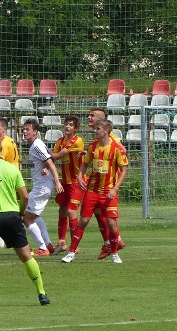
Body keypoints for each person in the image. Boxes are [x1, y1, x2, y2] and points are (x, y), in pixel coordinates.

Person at [0, 134, 50, 308]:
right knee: (27, 256)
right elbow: (25, 196)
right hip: (12, 216)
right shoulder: (12, 169)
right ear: (1, 150)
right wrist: (20, 212)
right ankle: (42, 293)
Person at [62, 119, 128, 264]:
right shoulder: (92, 147)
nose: (95, 131)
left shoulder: (116, 148)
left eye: (98, 129)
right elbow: (85, 164)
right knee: (83, 220)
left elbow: (123, 171)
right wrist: (80, 176)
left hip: (109, 192)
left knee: (111, 223)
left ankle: (114, 253)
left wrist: (115, 188)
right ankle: (71, 252)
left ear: (106, 131)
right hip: (92, 190)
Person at [85, 107, 126, 259]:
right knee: (97, 213)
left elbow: (122, 150)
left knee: (107, 216)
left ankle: (115, 241)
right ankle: (109, 242)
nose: (89, 118)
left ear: (100, 119)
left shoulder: (111, 138)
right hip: (97, 185)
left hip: (108, 185)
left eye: (92, 116)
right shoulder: (97, 140)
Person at [22, 119, 64, 256]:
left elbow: (51, 162)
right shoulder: (36, 145)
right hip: (42, 186)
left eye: (28, 129)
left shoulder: (36, 145)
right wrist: (45, 168)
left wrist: (57, 181)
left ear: (35, 132)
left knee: (26, 218)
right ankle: (48, 245)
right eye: (24, 129)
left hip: (42, 188)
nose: (24, 131)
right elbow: (49, 159)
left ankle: (42, 248)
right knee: (34, 216)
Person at [50, 116, 85, 255]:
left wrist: (51, 154)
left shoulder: (77, 141)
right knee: (62, 210)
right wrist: (48, 165)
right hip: (65, 182)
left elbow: (57, 156)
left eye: (71, 125)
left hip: (76, 182)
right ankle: (61, 243)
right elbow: (54, 157)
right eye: (66, 124)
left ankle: (74, 246)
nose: (68, 127)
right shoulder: (60, 141)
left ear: (75, 128)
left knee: (71, 211)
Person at [0, 117, 20, 258]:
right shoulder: (5, 142)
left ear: (4, 129)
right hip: (6, 184)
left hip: (5, 184)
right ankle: (14, 244)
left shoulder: (5, 144)